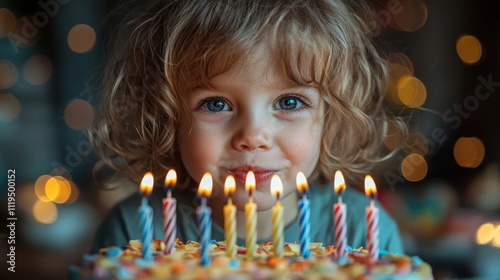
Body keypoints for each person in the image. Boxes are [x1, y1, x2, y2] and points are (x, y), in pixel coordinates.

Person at [89, 0, 408, 254]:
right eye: (216, 104)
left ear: (331, 116)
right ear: (167, 116)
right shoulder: (135, 233)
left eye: (289, 103)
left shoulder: (364, 232)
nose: (253, 137)